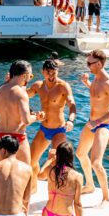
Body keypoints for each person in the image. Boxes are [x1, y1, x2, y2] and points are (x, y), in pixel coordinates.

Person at [76, 49, 109, 202]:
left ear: (100, 64)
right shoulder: (95, 78)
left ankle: (106, 197)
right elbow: (98, 95)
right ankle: (89, 185)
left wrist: (98, 122)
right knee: (80, 154)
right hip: (91, 123)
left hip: (103, 126)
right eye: (87, 62)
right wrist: (87, 83)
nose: (87, 65)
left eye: (90, 63)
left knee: (96, 163)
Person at [27, 59, 77, 188]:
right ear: (43, 72)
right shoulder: (38, 86)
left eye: (54, 73)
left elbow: (72, 104)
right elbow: (21, 97)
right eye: (48, 72)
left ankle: (57, 190)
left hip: (59, 130)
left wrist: (71, 120)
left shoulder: (63, 86)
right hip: (44, 128)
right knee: (31, 161)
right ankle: (33, 188)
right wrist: (31, 112)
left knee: (58, 164)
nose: (52, 76)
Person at [0, 61, 45, 166]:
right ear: (24, 75)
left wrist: (1, 127)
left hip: (1, 137)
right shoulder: (21, 94)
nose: (30, 78)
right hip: (18, 137)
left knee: (2, 174)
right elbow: (26, 120)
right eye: (30, 76)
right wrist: (36, 117)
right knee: (26, 172)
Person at [37, 142, 95, 216]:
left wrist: (49, 160)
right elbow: (78, 203)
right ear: (71, 156)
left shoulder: (50, 170)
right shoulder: (77, 176)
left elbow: (39, 175)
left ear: (57, 156)